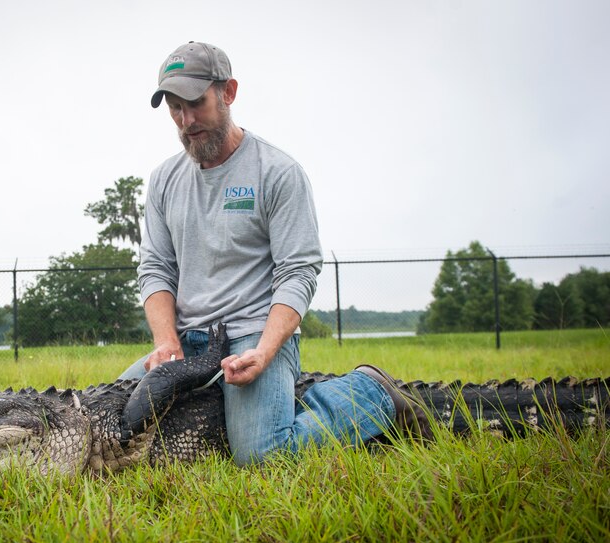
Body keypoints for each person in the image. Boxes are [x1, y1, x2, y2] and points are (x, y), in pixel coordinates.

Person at [119, 41, 430, 466]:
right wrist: (166, 342)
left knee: (262, 455)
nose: (186, 120)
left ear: (228, 92)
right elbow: (155, 267)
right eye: (174, 108)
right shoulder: (163, 180)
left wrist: (264, 350)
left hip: (253, 332)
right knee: (114, 413)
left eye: (195, 103)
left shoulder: (278, 173)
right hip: (189, 341)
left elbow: (298, 272)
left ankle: (370, 392)